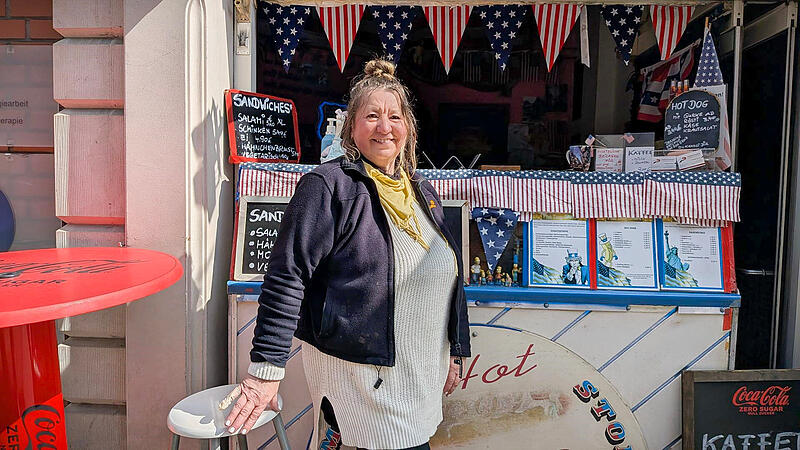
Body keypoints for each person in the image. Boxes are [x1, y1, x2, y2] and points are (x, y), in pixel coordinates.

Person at [224, 58, 471, 450]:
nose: (385, 127)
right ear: (351, 128)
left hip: (418, 374)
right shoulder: (328, 186)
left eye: (394, 116)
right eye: (372, 115)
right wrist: (265, 369)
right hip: (365, 377)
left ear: (408, 127)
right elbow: (288, 275)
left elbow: (448, 275)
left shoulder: (421, 190)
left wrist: (455, 350)